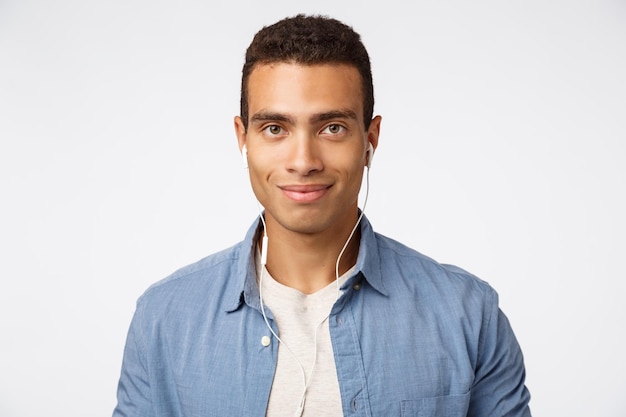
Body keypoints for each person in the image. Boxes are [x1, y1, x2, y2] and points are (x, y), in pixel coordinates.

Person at [112, 14, 531, 417]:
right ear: (243, 139)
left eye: (331, 127)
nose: (304, 160)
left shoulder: (469, 315)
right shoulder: (164, 320)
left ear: (370, 139)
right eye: (275, 128)